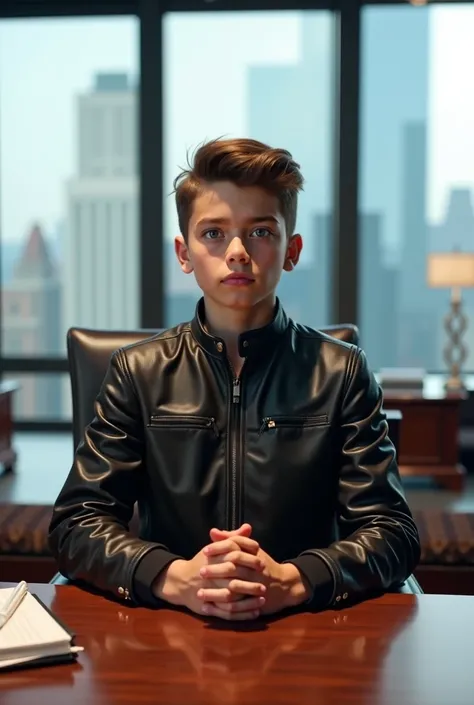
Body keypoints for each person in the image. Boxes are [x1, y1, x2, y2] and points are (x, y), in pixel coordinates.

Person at [49, 138, 420, 621]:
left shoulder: (341, 371)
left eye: (261, 232)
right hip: (169, 623)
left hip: (306, 625)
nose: (239, 252)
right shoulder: (136, 371)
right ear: (184, 253)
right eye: (214, 234)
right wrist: (172, 576)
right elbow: (78, 523)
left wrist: (295, 579)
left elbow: (391, 530)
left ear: (292, 250)